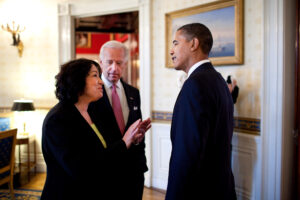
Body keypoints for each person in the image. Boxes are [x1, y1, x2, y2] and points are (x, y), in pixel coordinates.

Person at [41, 58, 151, 200]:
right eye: (95, 75)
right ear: (77, 79)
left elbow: (106, 150)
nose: (100, 81)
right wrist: (124, 141)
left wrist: (132, 139)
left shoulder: (91, 112)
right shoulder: (58, 120)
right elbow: (82, 169)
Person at [165, 23, 237, 200]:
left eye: (175, 43)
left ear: (193, 44)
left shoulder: (194, 85)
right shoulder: (218, 80)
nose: (171, 50)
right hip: (220, 186)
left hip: (199, 191)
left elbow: (187, 153)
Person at [88, 40, 148, 200]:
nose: (114, 68)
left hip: (134, 172)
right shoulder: (90, 95)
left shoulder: (134, 93)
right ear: (100, 63)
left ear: (125, 64)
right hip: (106, 173)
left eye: (119, 63)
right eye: (109, 62)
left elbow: (135, 130)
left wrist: (137, 138)